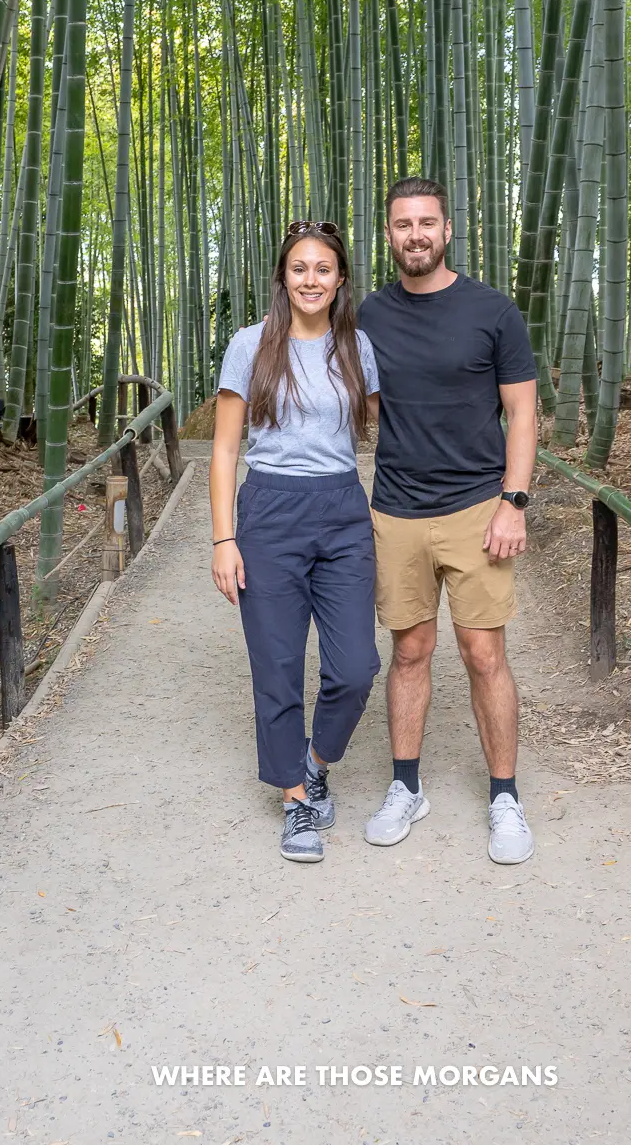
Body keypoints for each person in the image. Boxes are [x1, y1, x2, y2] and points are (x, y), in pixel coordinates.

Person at [357, 177, 538, 865]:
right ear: (389, 236)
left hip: (476, 510)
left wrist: (513, 501)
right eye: (402, 224)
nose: (415, 234)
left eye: (426, 222)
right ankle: (407, 787)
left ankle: (504, 797)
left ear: (448, 229)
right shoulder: (368, 315)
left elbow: (521, 414)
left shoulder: (492, 311)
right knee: (408, 652)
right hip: (397, 510)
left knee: (484, 654)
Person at [210, 221, 381, 864]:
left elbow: (393, 430)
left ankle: (314, 761)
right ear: (284, 276)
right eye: (300, 268)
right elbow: (225, 449)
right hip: (270, 509)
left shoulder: (357, 347)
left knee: (356, 667)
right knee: (278, 667)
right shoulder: (250, 345)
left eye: (324, 270)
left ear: (340, 280)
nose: (312, 280)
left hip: (341, 509)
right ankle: (295, 800)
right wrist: (224, 538)